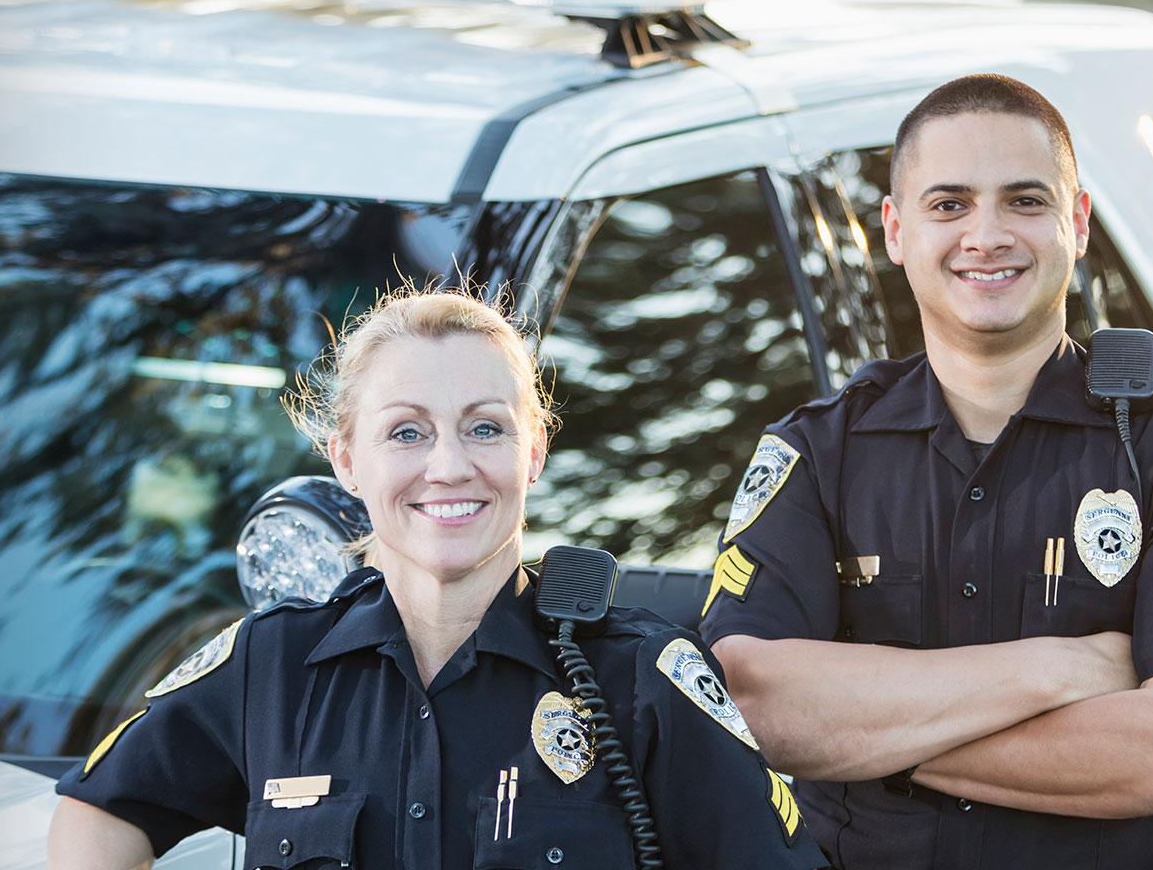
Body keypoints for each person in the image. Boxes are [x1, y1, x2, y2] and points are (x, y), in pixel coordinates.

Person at [48, 290, 828, 868]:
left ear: (533, 454)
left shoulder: (642, 680)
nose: (449, 466)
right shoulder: (270, 668)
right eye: (407, 433)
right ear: (347, 461)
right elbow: (100, 810)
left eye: (485, 428)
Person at [700, 73, 1153, 870]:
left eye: (1025, 201)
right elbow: (752, 700)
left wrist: (867, 737)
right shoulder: (817, 452)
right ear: (896, 231)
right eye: (949, 205)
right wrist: (1062, 668)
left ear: (1076, 222)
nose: (987, 235)